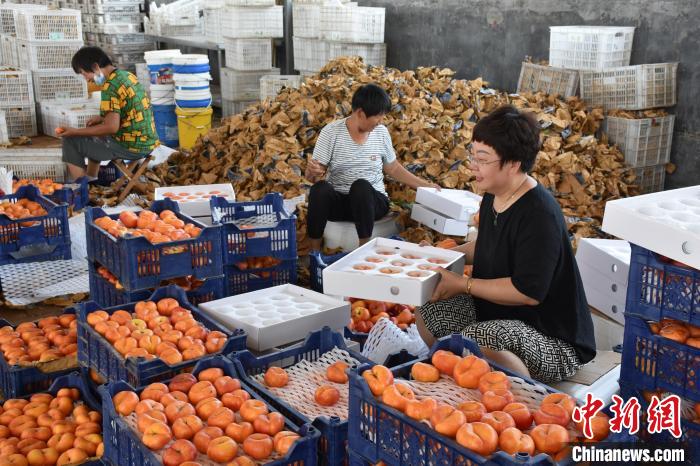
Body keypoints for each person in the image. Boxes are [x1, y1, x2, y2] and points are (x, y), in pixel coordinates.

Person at [416, 105, 596, 384]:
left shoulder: (539, 214)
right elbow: (488, 246)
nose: (473, 165)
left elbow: (527, 292)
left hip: (552, 338)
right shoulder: (493, 195)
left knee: (479, 338)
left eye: (483, 159)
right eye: (472, 155)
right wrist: (442, 255)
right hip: (497, 313)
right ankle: (458, 380)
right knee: (428, 304)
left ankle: (518, 401)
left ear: (513, 164)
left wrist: (462, 284)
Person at [305, 83, 437, 252]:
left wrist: (426, 186)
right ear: (360, 113)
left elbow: (394, 168)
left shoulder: (381, 133)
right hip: (340, 202)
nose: (381, 122)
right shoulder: (331, 133)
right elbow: (314, 175)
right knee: (320, 189)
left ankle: (363, 251)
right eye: (378, 117)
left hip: (372, 202)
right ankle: (314, 254)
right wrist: (311, 172)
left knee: (361, 186)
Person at [59, 46, 160, 182]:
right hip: (148, 141)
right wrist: (102, 117)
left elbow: (111, 128)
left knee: (70, 141)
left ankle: (81, 189)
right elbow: (129, 109)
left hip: (133, 146)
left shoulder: (110, 86)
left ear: (95, 67)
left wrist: (75, 131)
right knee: (93, 133)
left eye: (84, 74)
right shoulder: (126, 75)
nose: (87, 80)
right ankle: (90, 180)